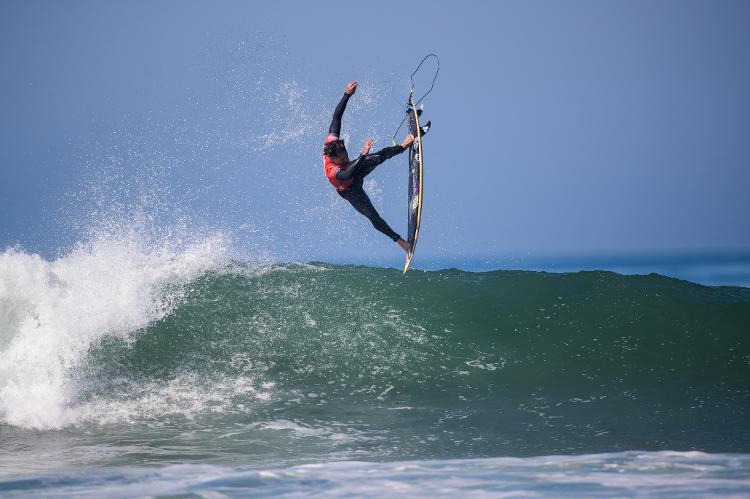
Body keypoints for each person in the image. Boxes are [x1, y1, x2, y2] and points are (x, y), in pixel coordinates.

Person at [323, 81, 414, 254]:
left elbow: (336, 118)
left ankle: (403, 147)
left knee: (379, 156)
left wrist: (347, 94)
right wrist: (363, 155)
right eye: (342, 159)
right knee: (373, 217)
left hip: (353, 172)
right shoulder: (332, 171)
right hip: (350, 190)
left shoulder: (332, 143)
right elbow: (348, 173)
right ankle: (401, 242)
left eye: (346, 155)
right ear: (334, 159)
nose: (346, 158)